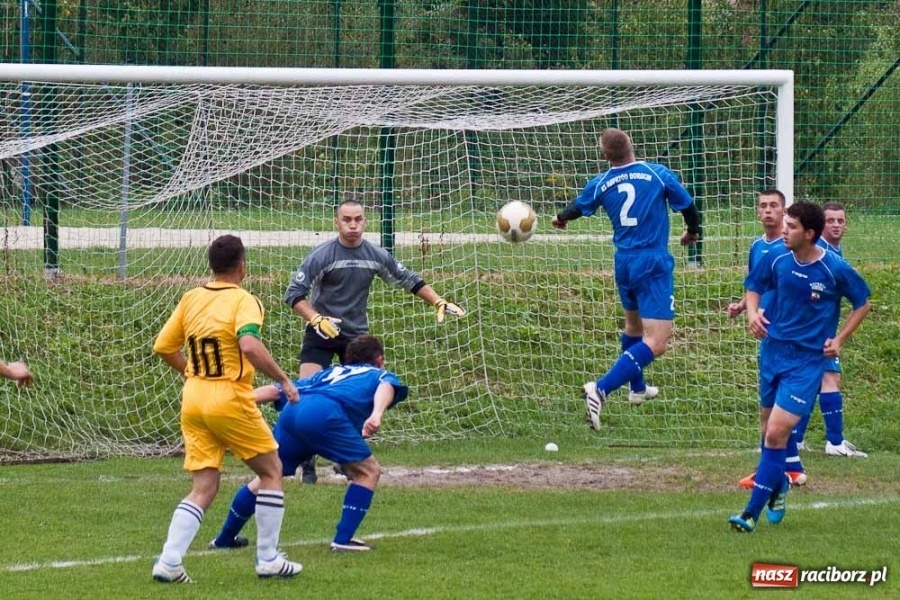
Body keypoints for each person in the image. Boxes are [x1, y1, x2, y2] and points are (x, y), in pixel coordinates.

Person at [151, 234, 302, 582]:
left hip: (194, 397)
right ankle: (268, 559)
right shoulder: (243, 300)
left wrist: (189, 370)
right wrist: (284, 380)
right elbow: (248, 345)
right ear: (241, 266)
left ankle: (169, 562)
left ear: (211, 266)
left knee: (204, 485)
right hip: (228, 396)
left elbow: (163, 346)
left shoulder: (191, 298)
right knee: (271, 471)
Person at [285, 199, 464, 483]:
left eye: (358, 219)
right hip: (321, 332)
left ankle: (347, 459)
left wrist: (437, 300)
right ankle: (307, 459)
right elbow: (293, 294)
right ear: (337, 222)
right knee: (305, 392)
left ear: (365, 221)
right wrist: (315, 318)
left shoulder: (375, 254)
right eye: (347, 219)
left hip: (356, 337)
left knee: (358, 398)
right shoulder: (321, 255)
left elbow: (409, 279)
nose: (353, 225)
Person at [729, 202, 870, 533]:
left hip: (806, 362)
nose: (783, 230)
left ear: (809, 234)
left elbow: (862, 303)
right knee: (768, 434)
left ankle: (749, 514)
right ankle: (778, 486)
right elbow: (754, 286)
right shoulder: (776, 256)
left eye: (791, 226)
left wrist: (840, 340)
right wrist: (752, 314)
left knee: (778, 433)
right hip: (772, 353)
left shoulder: (834, 268)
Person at [551, 127, 700, 429]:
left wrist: (560, 218)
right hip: (653, 262)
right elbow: (689, 207)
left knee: (633, 327)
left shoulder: (603, 182)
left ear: (605, 155)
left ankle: (637, 389)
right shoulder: (657, 173)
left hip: (624, 263)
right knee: (656, 343)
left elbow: (577, 207)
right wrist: (692, 232)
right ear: (632, 144)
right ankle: (601, 389)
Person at [209, 334, 407, 553]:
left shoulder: (328, 373)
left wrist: (234, 402)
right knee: (368, 472)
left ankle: (225, 538)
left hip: (292, 413)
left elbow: (278, 390)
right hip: (323, 413)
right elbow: (385, 386)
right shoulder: (378, 374)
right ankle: (343, 540)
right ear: (379, 359)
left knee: (268, 475)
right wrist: (377, 414)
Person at [728, 190, 807, 489]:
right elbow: (756, 285)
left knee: (775, 405)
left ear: (785, 210)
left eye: (774, 205)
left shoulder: (795, 248)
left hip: (790, 333)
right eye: (763, 206)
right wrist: (742, 307)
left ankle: (769, 472)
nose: (768, 211)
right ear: (757, 212)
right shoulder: (757, 247)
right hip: (768, 332)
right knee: (772, 402)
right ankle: (792, 468)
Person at [792, 201, 868, 457]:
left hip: (818, 330)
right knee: (830, 379)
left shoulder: (834, 252)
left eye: (840, 220)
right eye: (830, 221)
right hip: (813, 333)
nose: (836, 225)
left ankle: (796, 439)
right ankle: (835, 442)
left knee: (815, 384)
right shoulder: (819, 255)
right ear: (820, 226)